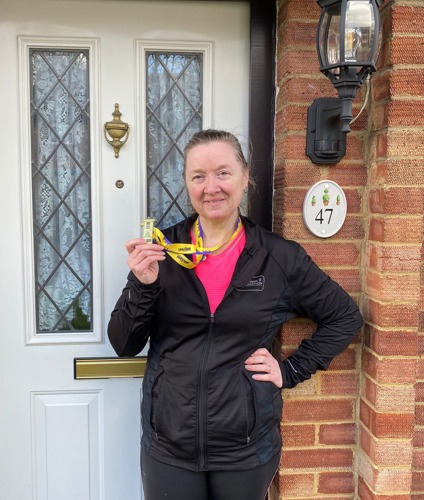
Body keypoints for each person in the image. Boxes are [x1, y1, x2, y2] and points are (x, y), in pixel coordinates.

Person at [107, 129, 363, 500]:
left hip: (245, 449)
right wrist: (145, 285)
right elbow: (124, 343)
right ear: (187, 184)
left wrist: (289, 371)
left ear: (245, 177)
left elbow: (344, 317)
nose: (211, 187)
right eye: (198, 176)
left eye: (223, 173)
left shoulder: (278, 258)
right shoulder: (161, 253)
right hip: (169, 446)